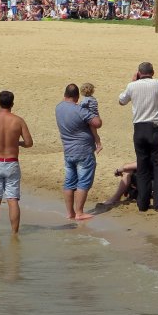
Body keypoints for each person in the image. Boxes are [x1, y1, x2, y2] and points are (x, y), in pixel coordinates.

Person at [0, 90, 33, 236]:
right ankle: (15, 234)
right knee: (13, 200)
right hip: (11, 162)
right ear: (12, 103)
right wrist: (17, 143)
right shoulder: (18, 121)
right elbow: (29, 143)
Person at [119, 62, 158, 211]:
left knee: (142, 165)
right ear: (152, 72)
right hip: (155, 128)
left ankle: (142, 202)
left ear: (139, 73)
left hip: (139, 129)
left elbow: (121, 100)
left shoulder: (132, 86)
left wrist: (132, 82)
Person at [56, 83, 102, 220]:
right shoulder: (79, 111)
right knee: (83, 182)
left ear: (65, 95)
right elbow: (97, 123)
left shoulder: (59, 107)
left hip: (68, 150)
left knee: (69, 182)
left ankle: (70, 213)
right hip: (83, 151)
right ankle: (79, 212)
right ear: (77, 97)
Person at [79, 83, 102, 153]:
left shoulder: (86, 99)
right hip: (96, 117)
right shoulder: (93, 99)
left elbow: (81, 106)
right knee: (94, 133)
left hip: (92, 118)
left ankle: (99, 145)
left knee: (94, 133)